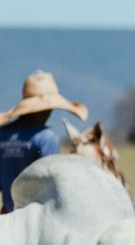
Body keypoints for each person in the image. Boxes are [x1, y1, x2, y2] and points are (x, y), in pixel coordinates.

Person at [0, 71, 88, 212]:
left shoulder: (2, 134)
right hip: (35, 220)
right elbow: (52, 185)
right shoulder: (47, 137)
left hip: (7, 219)